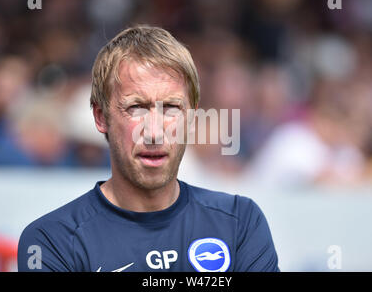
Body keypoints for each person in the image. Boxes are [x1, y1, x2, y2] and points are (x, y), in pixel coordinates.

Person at [17, 25, 279, 272]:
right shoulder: (52, 240)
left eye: (172, 108)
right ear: (100, 117)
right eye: (136, 108)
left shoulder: (239, 222)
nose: (154, 133)